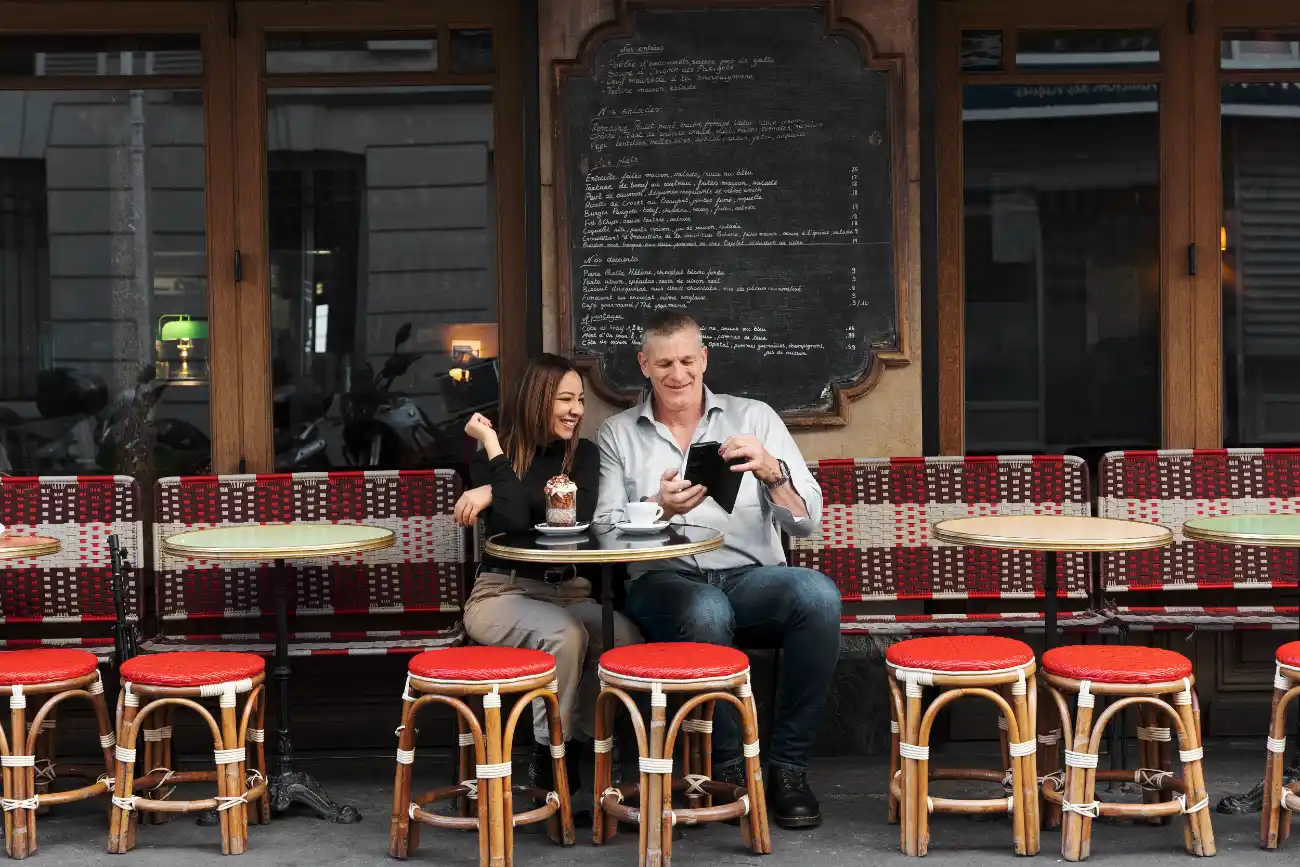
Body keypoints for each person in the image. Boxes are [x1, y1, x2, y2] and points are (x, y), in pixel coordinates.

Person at [594, 310, 840, 830]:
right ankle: (730, 769)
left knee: (818, 596)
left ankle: (788, 770)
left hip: (751, 579)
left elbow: (807, 524)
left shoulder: (755, 417)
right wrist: (659, 508)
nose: (677, 373)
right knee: (705, 608)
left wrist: (774, 474)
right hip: (665, 582)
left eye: (687, 360)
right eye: (663, 363)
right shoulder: (617, 433)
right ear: (644, 365)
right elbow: (605, 536)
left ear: (705, 359)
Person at [455, 353, 641, 803]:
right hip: (502, 592)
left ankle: (584, 745)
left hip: (568, 590)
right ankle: (548, 754)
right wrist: (494, 453)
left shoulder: (585, 455)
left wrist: (492, 490)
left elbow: (569, 517)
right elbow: (517, 517)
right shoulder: (495, 454)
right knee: (565, 635)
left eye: (579, 399)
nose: (577, 409)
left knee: (624, 635)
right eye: (565, 399)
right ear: (537, 399)